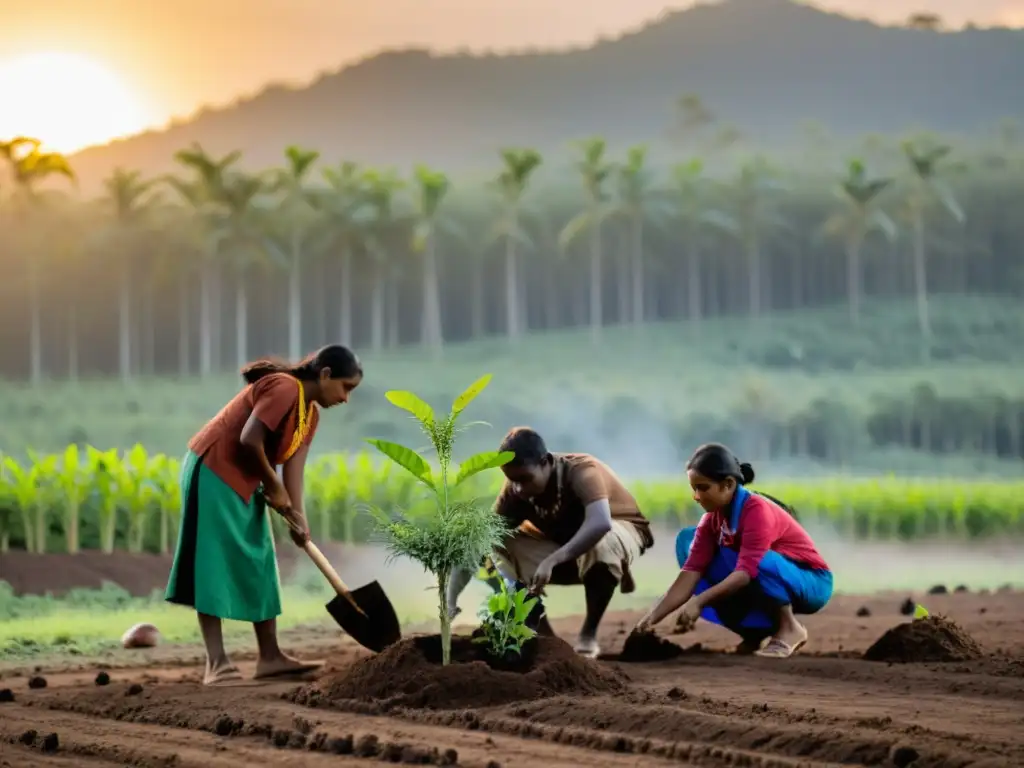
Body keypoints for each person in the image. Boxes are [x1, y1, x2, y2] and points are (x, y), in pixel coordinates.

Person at [164, 344, 363, 685]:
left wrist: (299, 517)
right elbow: (249, 438)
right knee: (214, 560)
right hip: (213, 469)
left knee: (260, 557)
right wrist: (272, 485)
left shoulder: (309, 416)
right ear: (325, 374)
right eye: (346, 388)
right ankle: (216, 663)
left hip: (249, 478)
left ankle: (269, 656)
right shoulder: (284, 387)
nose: (346, 399)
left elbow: (293, 471)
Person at [446, 427, 654, 658]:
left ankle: (588, 633)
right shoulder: (515, 492)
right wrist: (450, 601)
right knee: (494, 545)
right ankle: (544, 635)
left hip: (618, 535)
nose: (519, 488)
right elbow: (478, 541)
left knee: (600, 542)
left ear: (545, 462)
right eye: (512, 481)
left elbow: (600, 523)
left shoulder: (582, 470)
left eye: (525, 479)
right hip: (565, 550)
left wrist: (552, 561)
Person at [634, 443, 833, 658]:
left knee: (751, 560)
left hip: (810, 581)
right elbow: (690, 574)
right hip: (766, 577)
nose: (696, 496)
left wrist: (699, 602)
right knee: (688, 545)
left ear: (727, 485)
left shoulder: (757, 510)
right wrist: (650, 619)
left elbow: (746, 573)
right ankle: (755, 633)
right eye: (694, 489)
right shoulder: (711, 520)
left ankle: (790, 628)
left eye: (703, 488)